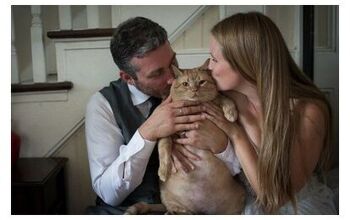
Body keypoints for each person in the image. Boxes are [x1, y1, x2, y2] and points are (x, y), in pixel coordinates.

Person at [85, 16, 239, 214]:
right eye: (157, 74)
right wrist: (148, 133)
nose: (172, 79)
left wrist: (221, 145)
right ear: (127, 77)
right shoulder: (103, 105)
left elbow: (241, 170)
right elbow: (108, 193)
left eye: (172, 61)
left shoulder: (201, 88)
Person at [198, 12, 337, 214]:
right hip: (237, 198)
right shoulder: (226, 98)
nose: (208, 68)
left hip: (293, 206)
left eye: (214, 60)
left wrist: (235, 134)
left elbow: (278, 197)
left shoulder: (306, 111)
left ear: (245, 61)